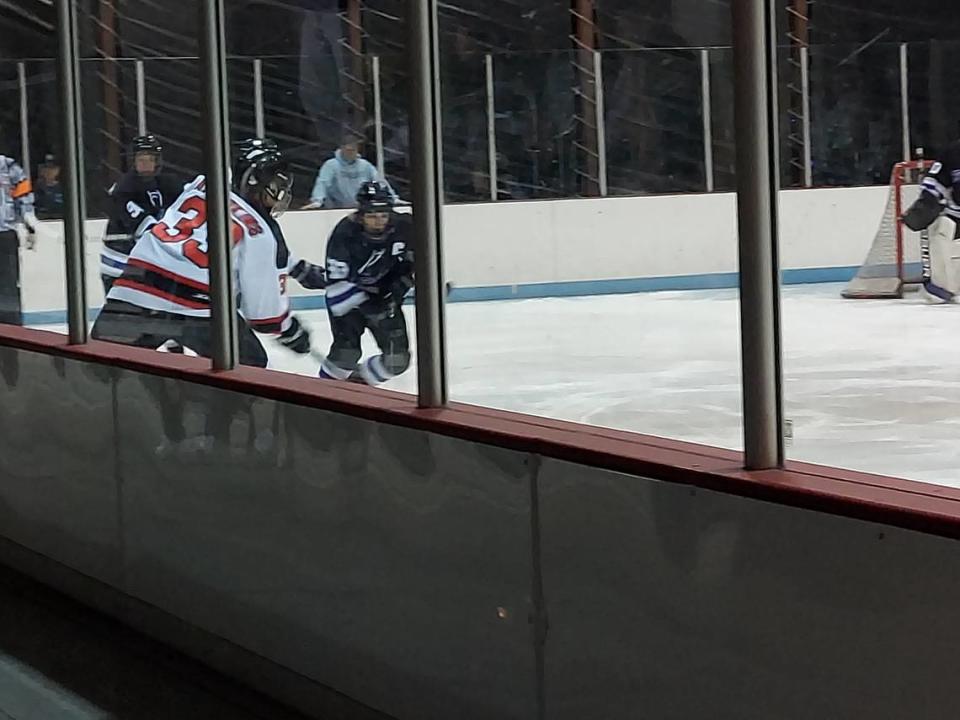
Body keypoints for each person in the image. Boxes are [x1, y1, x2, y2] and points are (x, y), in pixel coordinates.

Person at [92, 141, 323, 368]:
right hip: (196, 307)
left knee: (102, 367)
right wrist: (290, 330)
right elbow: (264, 317)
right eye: (275, 186)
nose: (279, 195)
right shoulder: (262, 232)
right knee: (249, 366)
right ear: (253, 181)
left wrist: (294, 266)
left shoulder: (201, 184)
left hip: (134, 287)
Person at [318, 180, 414, 385]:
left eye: (383, 215)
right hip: (350, 298)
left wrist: (401, 289)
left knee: (397, 360)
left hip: (384, 296)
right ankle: (322, 396)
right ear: (361, 215)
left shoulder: (405, 226)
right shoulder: (344, 234)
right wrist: (371, 306)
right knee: (346, 354)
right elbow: (337, 290)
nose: (379, 221)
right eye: (372, 216)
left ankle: (356, 389)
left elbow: (418, 263)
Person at [100, 134, 183, 294]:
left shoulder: (167, 183)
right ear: (134, 162)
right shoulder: (124, 188)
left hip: (147, 259)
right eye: (141, 160)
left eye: (149, 159)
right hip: (120, 260)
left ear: (157, 162)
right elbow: (144, 226)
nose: (145, 164)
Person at [902, 143, 960, 303]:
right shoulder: (953, 153)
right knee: (940, 227)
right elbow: (934, 183)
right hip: (957, 216)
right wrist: (925, 205)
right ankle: (941, 287)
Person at [304, 136, 397, 209]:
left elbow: (380, 181)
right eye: (348, 150)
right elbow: (322, 182)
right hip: (336, 208)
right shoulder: (331, 165)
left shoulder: (365, 165)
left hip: (360, 207)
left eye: (353, 150)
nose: (350, 153)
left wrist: (393, 198)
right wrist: (317, 200)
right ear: (342, 148)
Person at [0, 149, 38, 325]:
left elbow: (24, 196)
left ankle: (11, 326)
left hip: (5, 234)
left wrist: (29, 223)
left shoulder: (7, 165)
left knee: (8, 283)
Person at [33, 154, 64, 220]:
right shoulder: (36, 188)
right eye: (45, 168)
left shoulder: (64, 188)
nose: (48, 171)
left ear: (58, 170)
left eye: (52, 168)